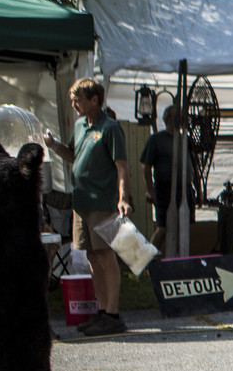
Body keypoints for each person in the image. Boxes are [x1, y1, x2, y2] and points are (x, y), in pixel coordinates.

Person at [41, 78, 133, 336]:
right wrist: (55, 146)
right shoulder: (81, 126)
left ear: (94, 100)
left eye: (78, 100)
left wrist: (123, 198)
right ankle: (102, 312)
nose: (73, 104)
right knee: (92, 256)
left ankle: (113, 314)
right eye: (72, 100)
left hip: (102, 203)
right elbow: (74, 155)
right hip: (81, 202)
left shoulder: (110, 128)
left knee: (105, 255)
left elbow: (122, 167)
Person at [139, 106, 197, 257]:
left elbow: (193, 165)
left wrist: (198, 188)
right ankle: (147, 260)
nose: (182, 119)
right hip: (164, 190)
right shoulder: (156, 140)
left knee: (183, 227)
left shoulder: (185, 139)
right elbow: (146, 166)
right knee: (163, 227)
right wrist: (149, 189)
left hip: (185, 189)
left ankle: (177, 260)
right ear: (168, 119)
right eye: (178, 116)